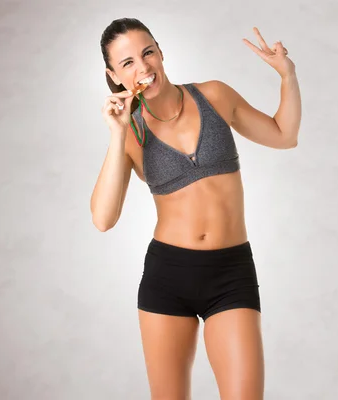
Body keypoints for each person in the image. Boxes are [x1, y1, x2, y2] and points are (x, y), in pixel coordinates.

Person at [90, 17, 301, 400]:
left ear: (160, 51)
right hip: (167, 277)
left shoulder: (215, 96)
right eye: (128, 63)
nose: (143, 68)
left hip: (231, 272)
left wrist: (287, 76)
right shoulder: (131, 133)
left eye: (147, 52)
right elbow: (103, 219)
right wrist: (118, 132)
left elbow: (285, 136)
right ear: (114, 75)